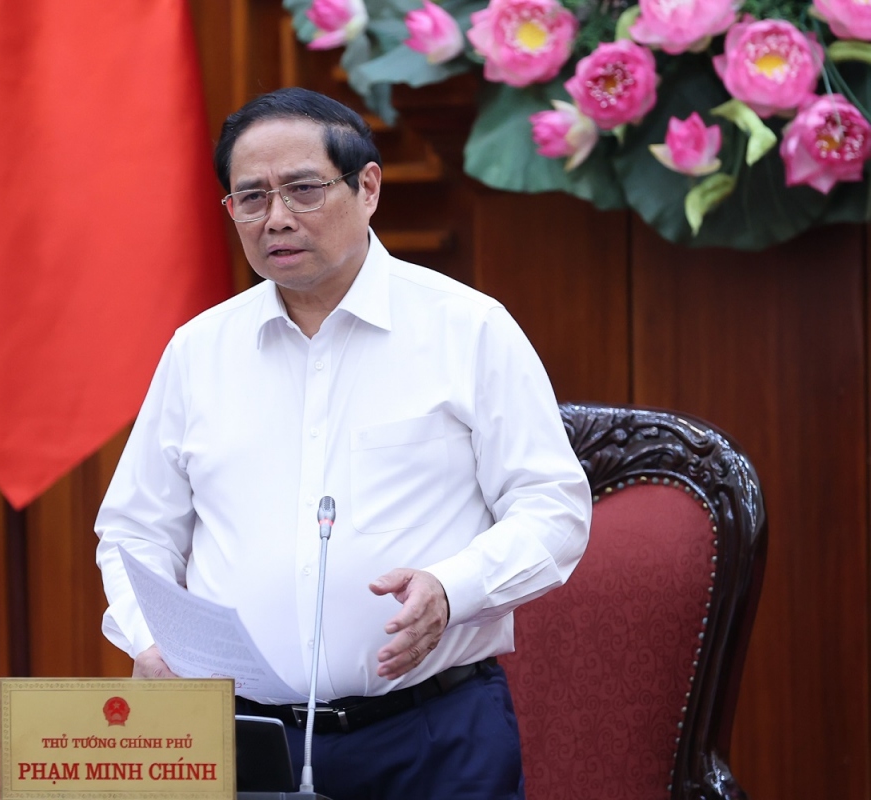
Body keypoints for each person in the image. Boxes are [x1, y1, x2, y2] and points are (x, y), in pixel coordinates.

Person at [95, 87, 591, 800]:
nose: (277, 218)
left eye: (303, 189)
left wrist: (452, 591)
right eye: (251, 198)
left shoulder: (467, 328)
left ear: (368, 188)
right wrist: (151, 640)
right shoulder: (198, 351)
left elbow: (554, 510)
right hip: (241, 742)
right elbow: (134, 532)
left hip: (431, 735)